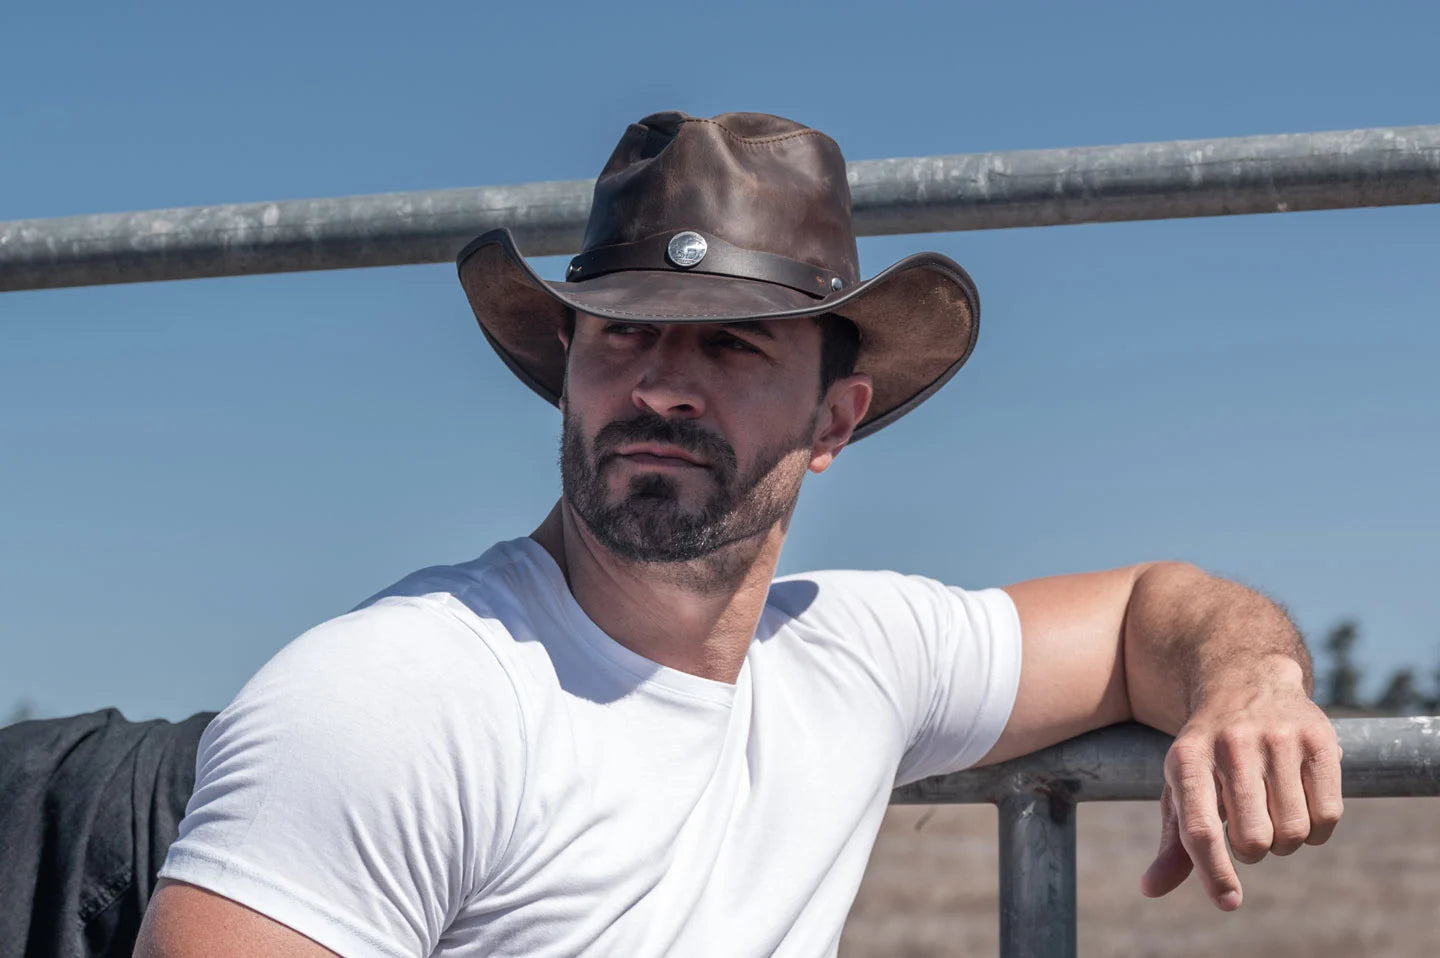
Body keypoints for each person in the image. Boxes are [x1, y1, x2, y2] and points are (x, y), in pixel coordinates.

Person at [7, 111, 1342, 958]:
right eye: (624, 334)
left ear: (837, 416)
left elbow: (1149, 612)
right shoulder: (402, 699)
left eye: (732, 343)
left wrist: (1250, 681)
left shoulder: (857, 655)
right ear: (568, 368)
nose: (659, 385)